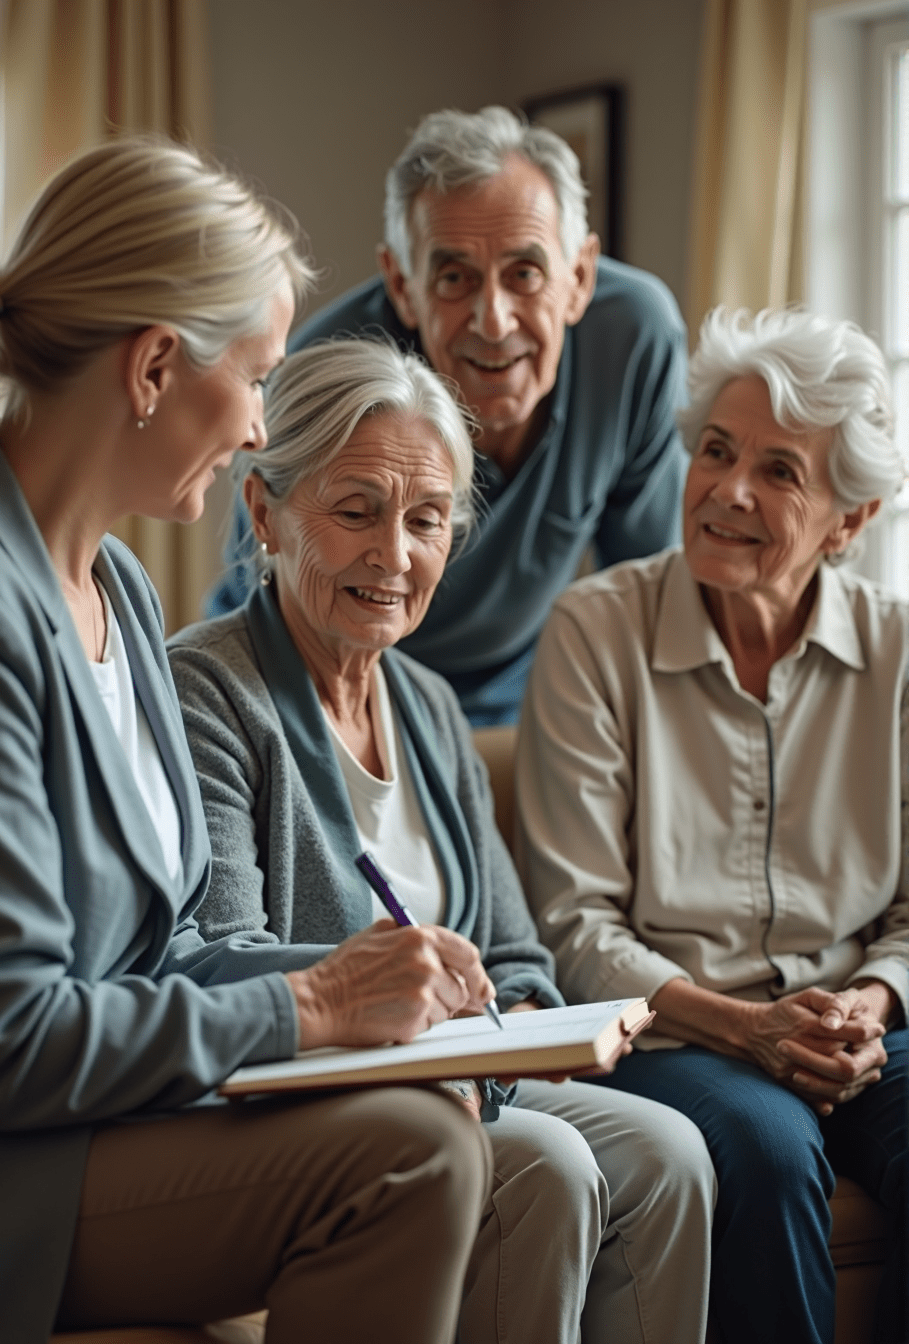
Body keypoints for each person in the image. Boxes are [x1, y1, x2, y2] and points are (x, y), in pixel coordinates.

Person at [0, 139, 504, 1344]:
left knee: (435, 1119)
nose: (257, 428)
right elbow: (12, 1041)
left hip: (82, 1129)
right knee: (408, 1158)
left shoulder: (121, 589)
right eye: (255, 379)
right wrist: (309, 1005)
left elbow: (169, 944)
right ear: (152, 369)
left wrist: (382, 994)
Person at [168, 338, 717, 1344]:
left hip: (465, 1080)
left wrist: (498, 1043)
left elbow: (516, 957)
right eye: (355, 510)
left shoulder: (425, 703)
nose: (395, 554)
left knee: (673, 1152)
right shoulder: (204, 693)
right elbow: (220, 961)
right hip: (308, 1097)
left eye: (426, 520)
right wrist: (418, 1030)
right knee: (548, 1169)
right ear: (263, 512)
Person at [514, 306, 909, 1344]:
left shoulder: (900, 652)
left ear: (849, 523)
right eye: (716, 451)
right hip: (675, 1027)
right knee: (770, 1152)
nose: (728, 491)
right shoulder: (596, 631)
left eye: (780, 472)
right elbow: (574, 926)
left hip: (857, 1026)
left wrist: (867, 1002)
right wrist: (752, 1031)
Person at [206, 105, 689, 726]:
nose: (494, 321)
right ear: (402, 284)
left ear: (579, 276)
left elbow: (645, 590)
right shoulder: (320, 372)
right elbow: (264, 605)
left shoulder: (632, 341)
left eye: (525, 273)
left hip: (521, 694)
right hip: (332, 689)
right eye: (455, 277)